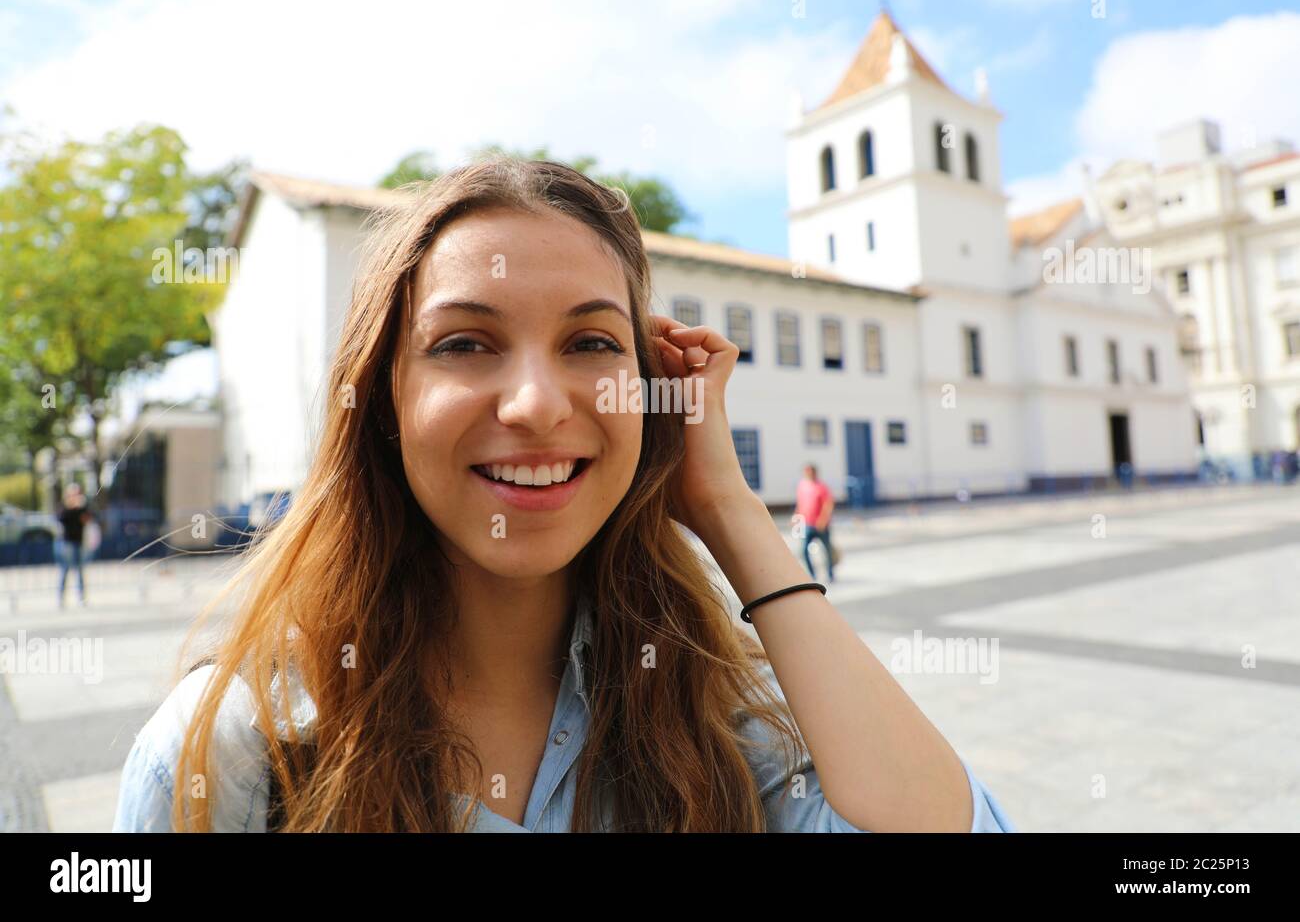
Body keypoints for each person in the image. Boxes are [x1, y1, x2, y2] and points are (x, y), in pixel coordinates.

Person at [113, 158, 1015, 833]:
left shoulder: (718, 721)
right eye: (465, 344)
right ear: (383, 395)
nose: (539, 405)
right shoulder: (234, 750)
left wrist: (732, 513)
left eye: (591, 344)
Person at [793, 463, 835, 583]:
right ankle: (812, 575)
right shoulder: (802, 485)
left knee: (826, 550)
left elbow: (828, 504)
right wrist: (796, 517)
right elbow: (800, 503)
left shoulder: (821, 487)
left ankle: (830, 573)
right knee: (804, 550)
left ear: (815, 472)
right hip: (806, 524)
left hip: (820, 525)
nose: (808, 473)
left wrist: (823, 520)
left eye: (810, 471)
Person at [55, 482, 93, 608]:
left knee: (80, 571)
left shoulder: (82, 506)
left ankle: (81, 597)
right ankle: (61, 597)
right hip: (67, 543)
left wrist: (81, 507)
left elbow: (87, 519)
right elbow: (61, 519)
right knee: (64, 570)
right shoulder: (64, 507)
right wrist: (71, 506)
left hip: (79, 542)